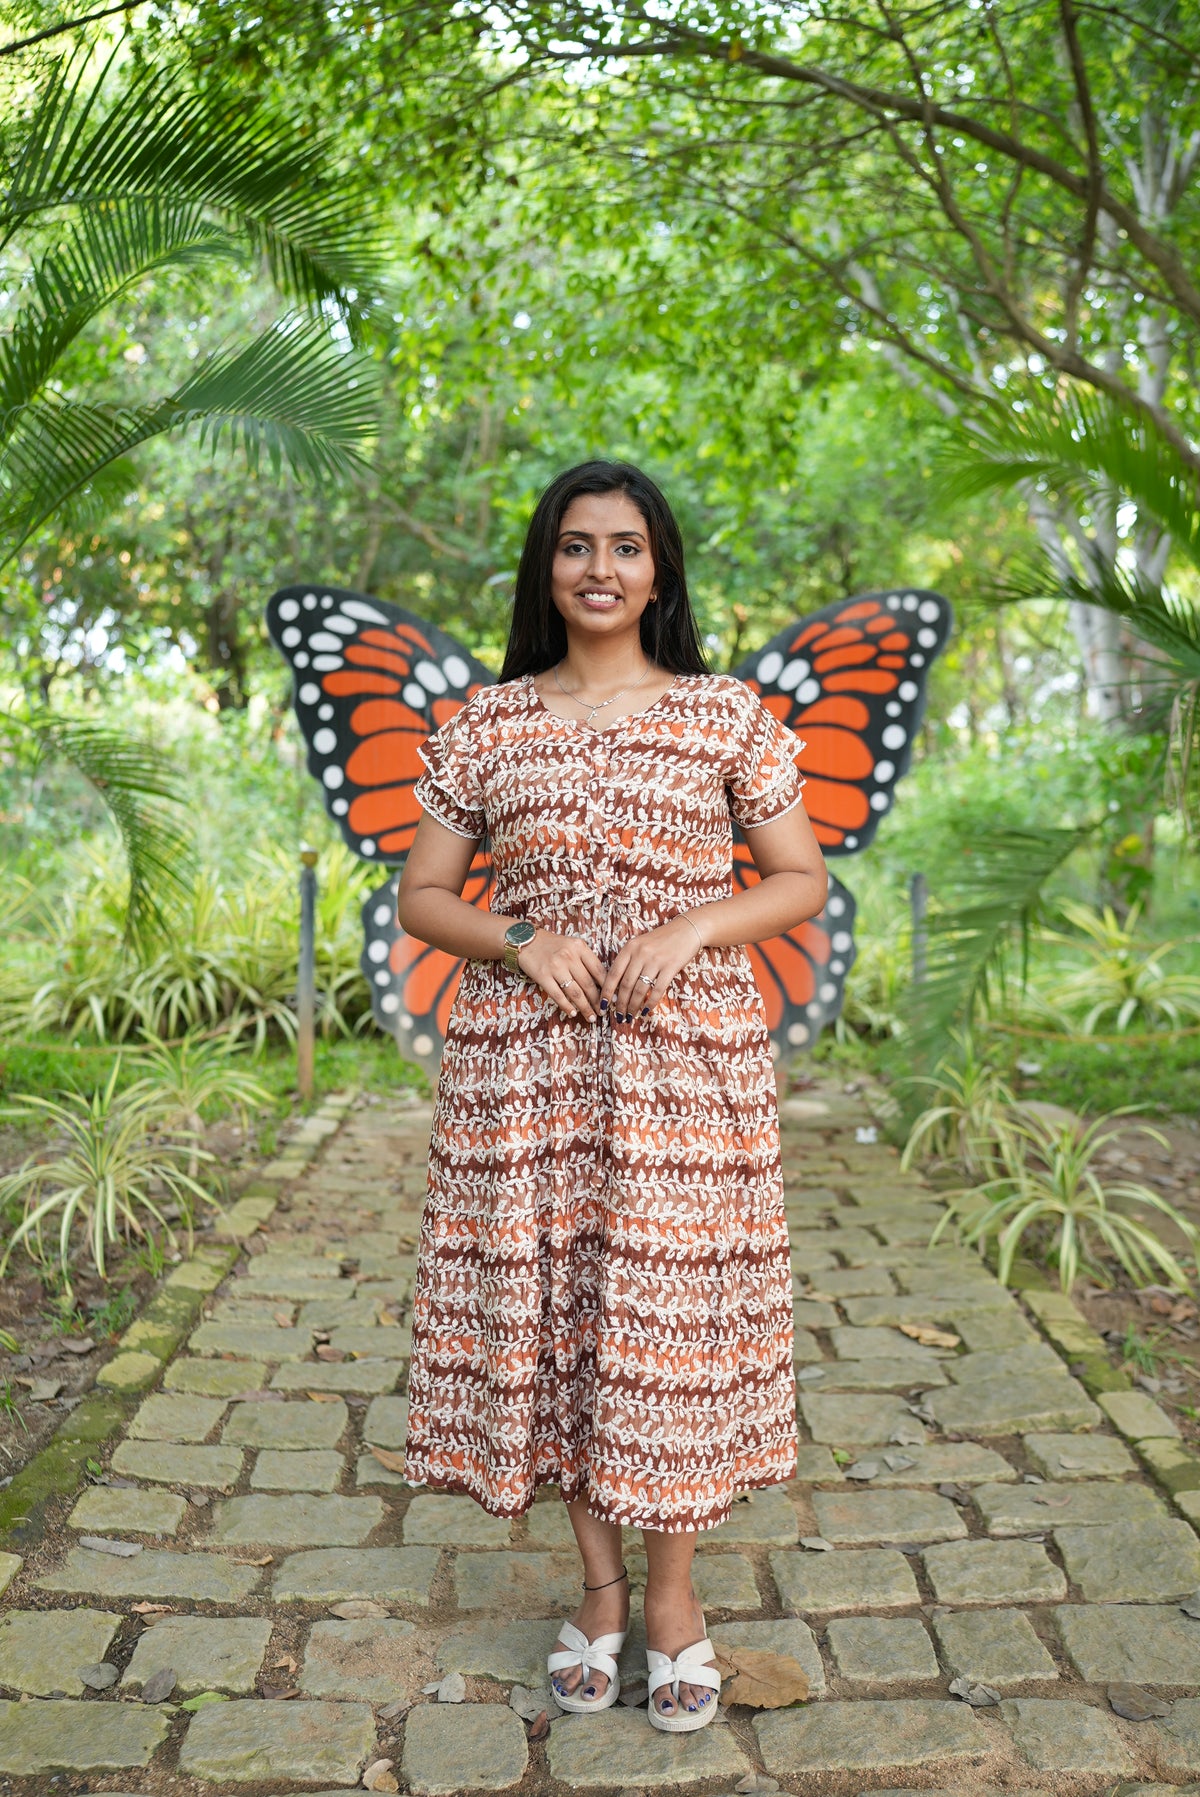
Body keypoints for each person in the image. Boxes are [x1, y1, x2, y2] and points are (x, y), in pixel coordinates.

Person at [397, 460, 828, 1733]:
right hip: (524, 1072)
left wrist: (696, 925)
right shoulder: (483, 724)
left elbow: (797, 878)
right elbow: (423, 897)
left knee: (665, 1330)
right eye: (577, 546)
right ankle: (596, 1592)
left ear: (659, 570)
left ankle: (677, 1602)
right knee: (570, 1312)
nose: (600, 569)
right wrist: (516, 940)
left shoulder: (725, 717)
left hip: (688, 1072)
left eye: (626, 547)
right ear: (547, 566)